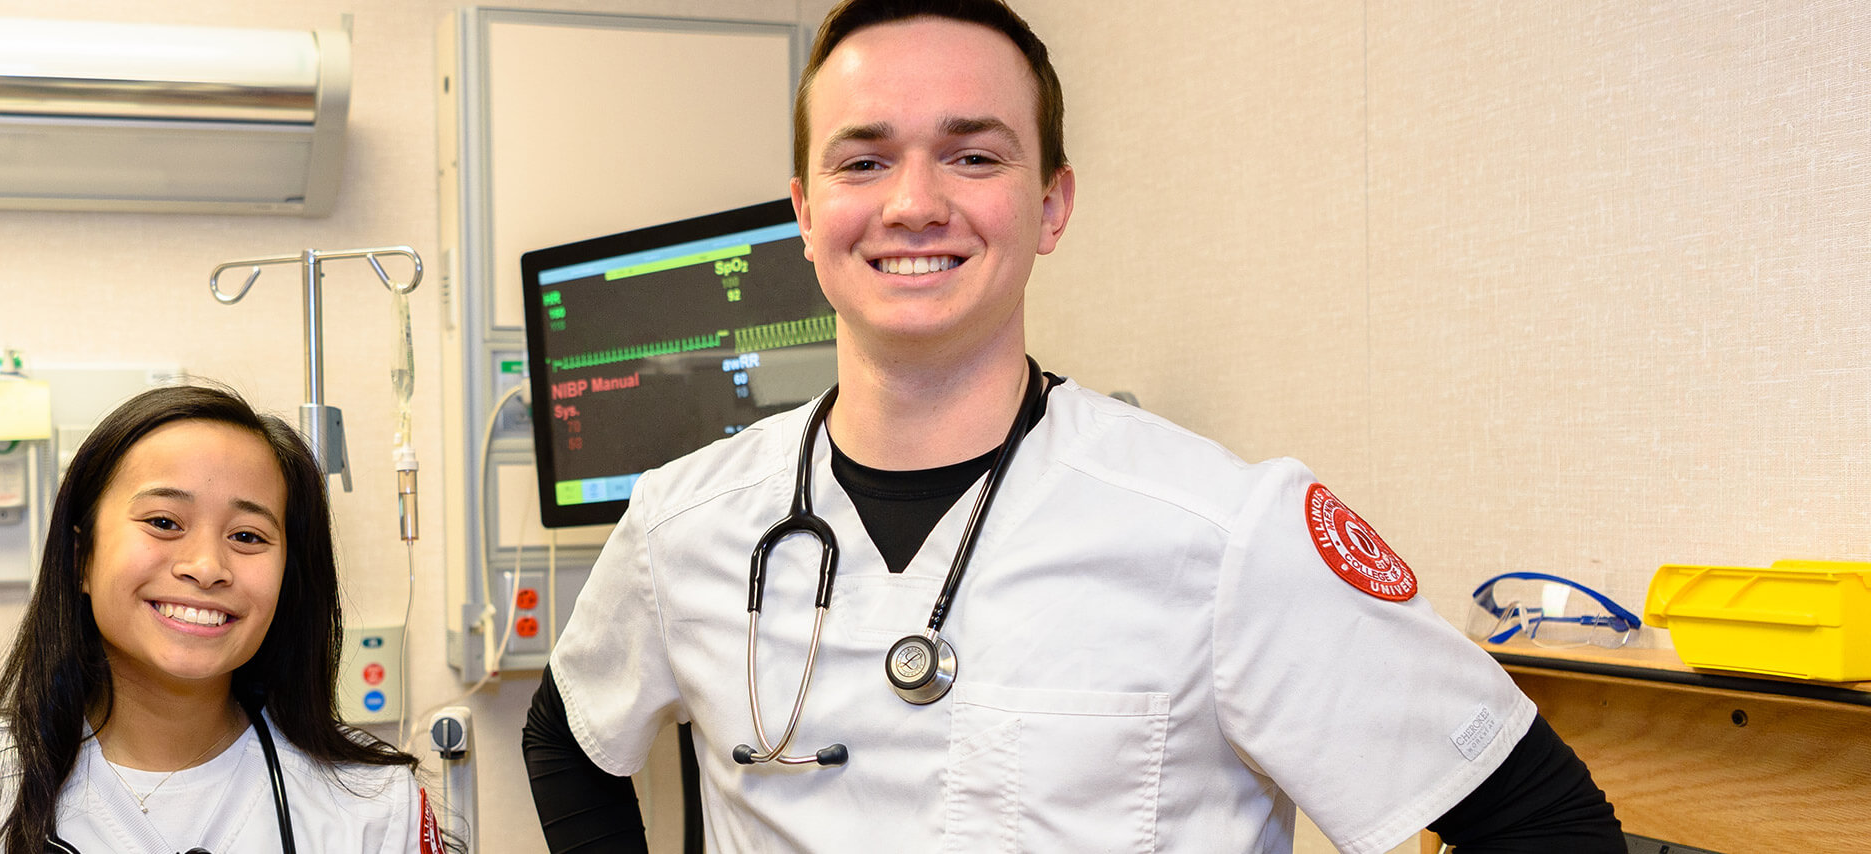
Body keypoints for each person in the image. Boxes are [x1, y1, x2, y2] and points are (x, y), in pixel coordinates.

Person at [521, 1, 1624, 851]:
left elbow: (1544, 827)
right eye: (863, 159)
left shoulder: (1228, 531)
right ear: (806, 213)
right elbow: (568, 738)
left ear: (1050, 204)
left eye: (973, 153)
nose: (913, 202)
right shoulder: (686, 520)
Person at [0, 384, 442, 853]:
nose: (207, 566)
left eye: (247, 535)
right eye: (164, 522)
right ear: (82, 557)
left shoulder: (371, 809)